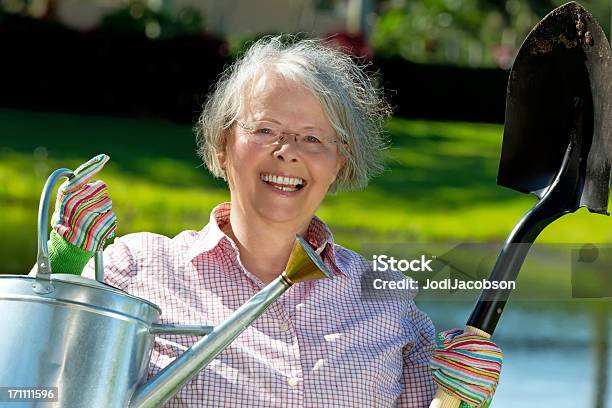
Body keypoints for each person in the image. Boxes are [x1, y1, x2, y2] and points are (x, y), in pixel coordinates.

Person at [48, 36, 502, 407]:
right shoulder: (136, 270)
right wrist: (63, 273)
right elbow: (35, 382)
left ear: (339, 163)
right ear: (224, 144)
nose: (288, 151)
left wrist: (465, 395)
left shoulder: (387, 302)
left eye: (312, 138)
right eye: (265, 130)